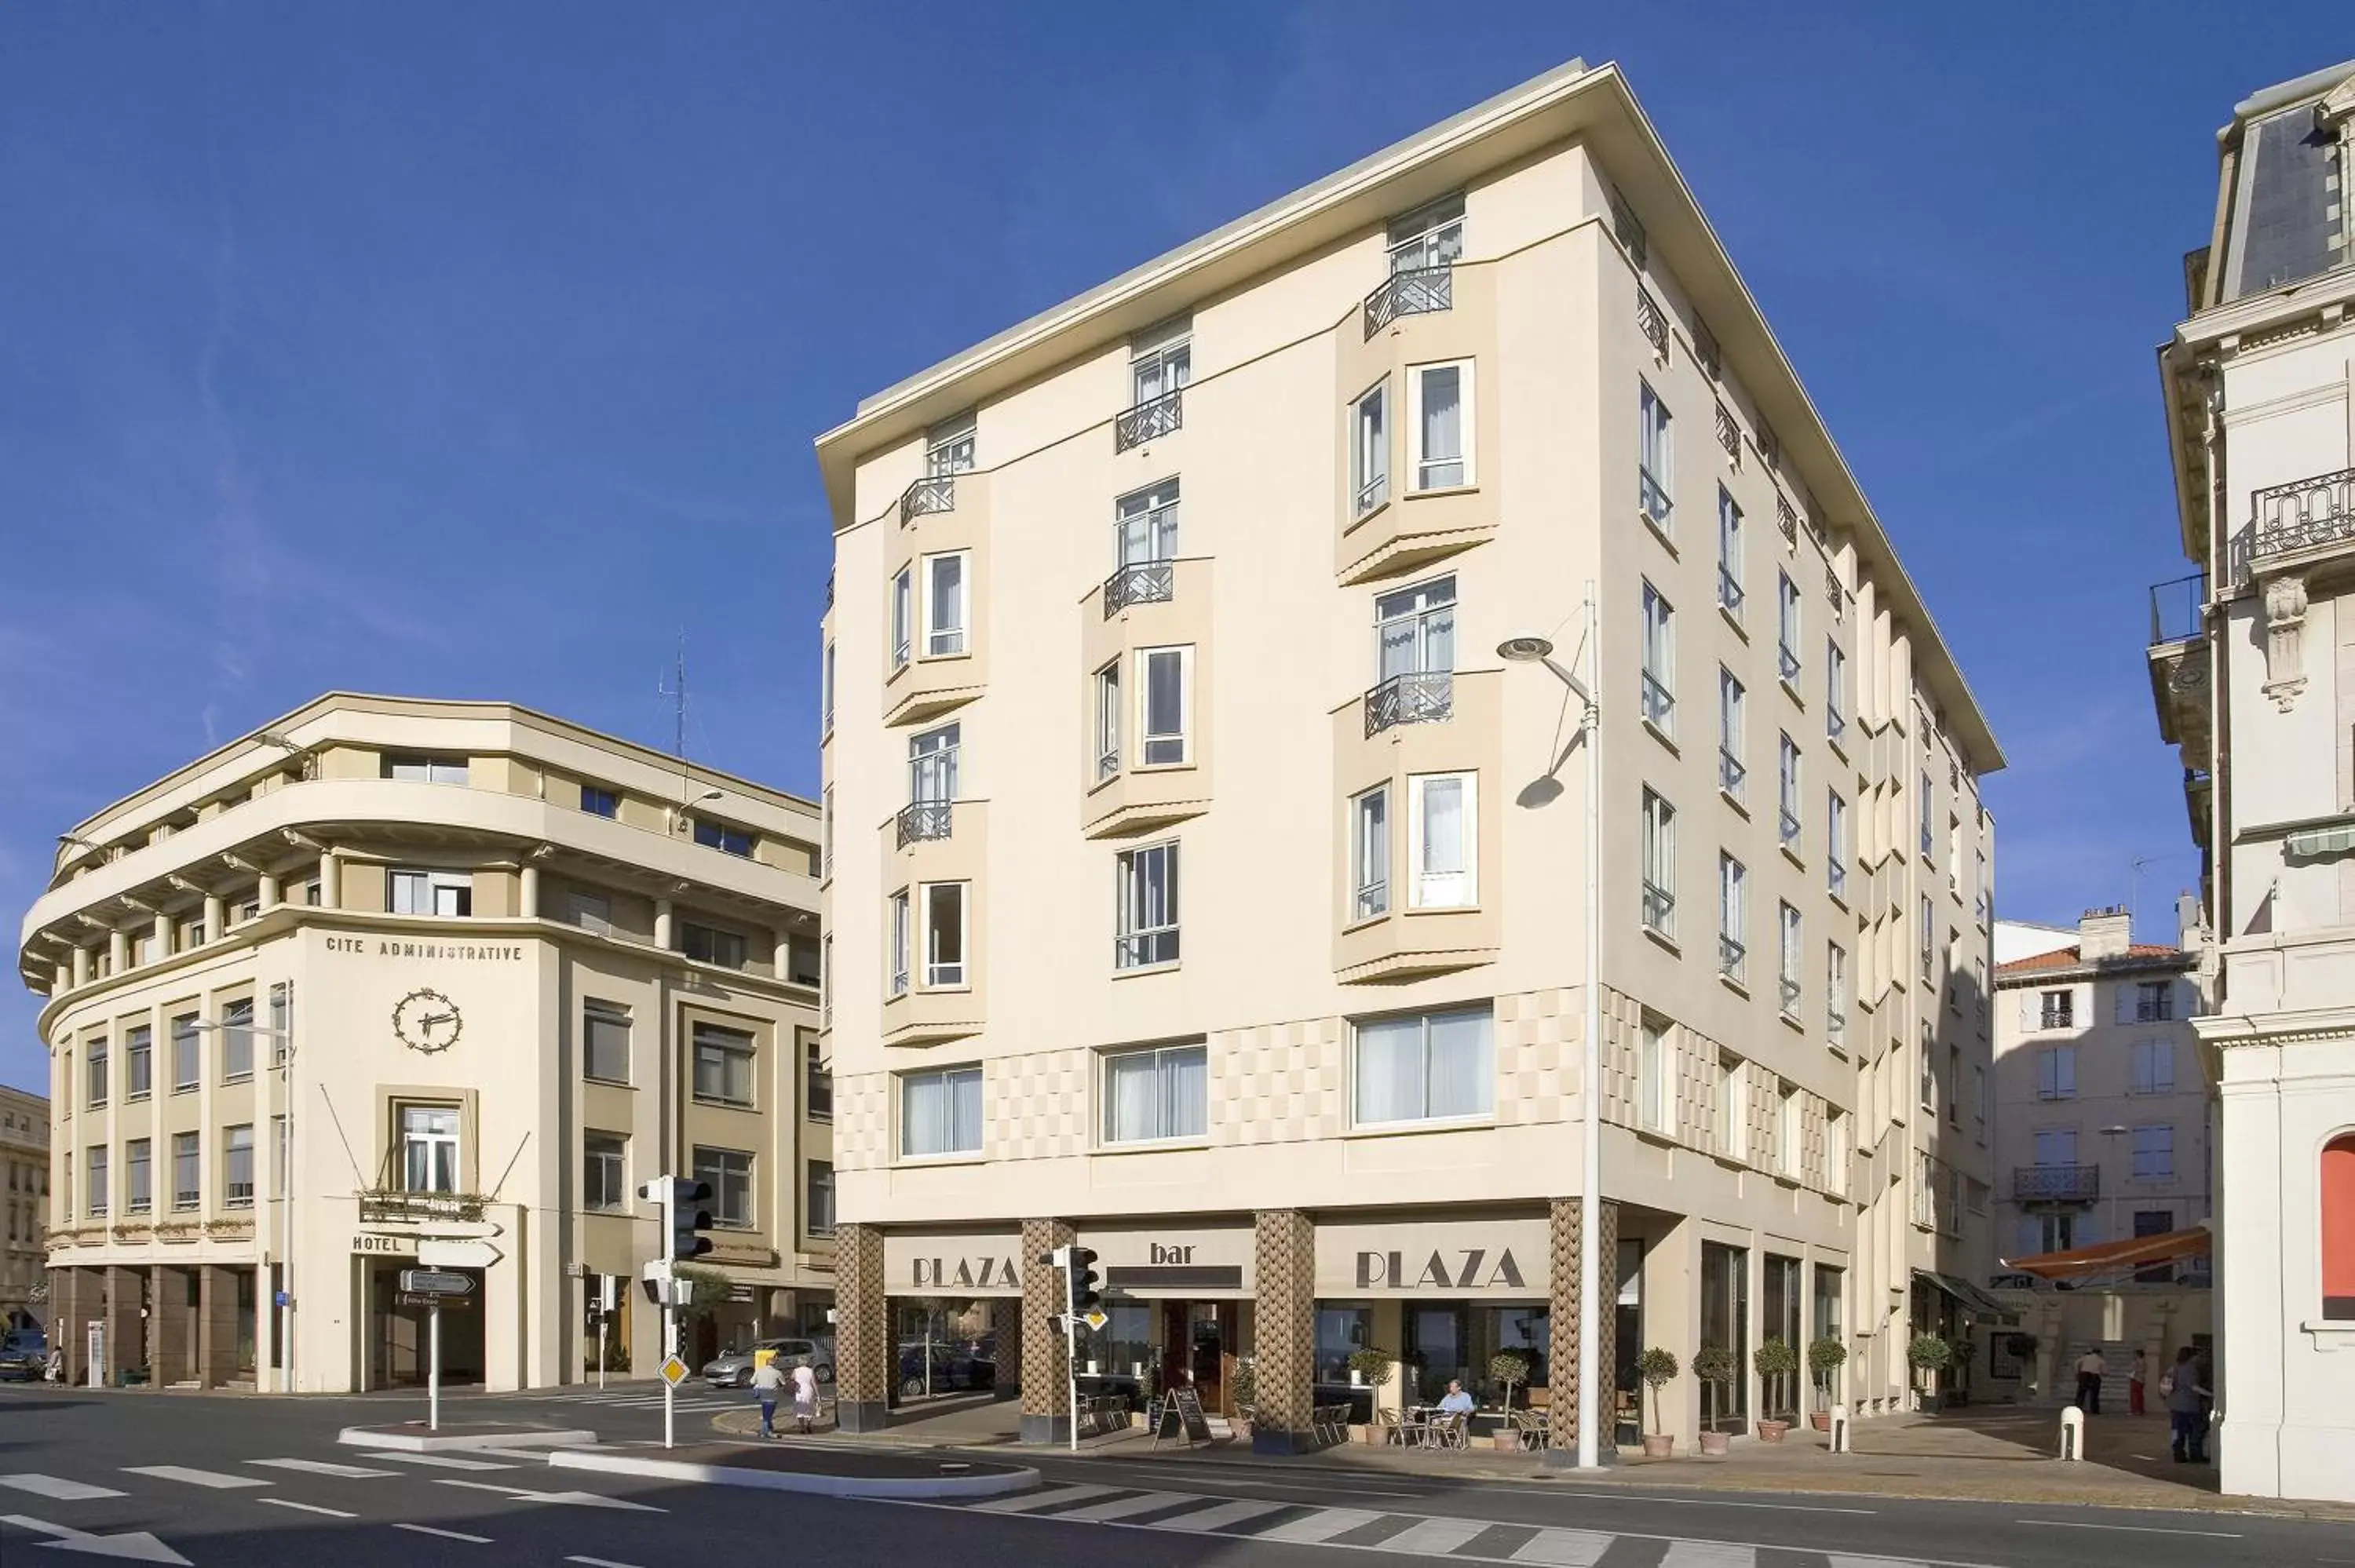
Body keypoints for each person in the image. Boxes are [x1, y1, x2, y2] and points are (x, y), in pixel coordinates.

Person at [2163, 1346, 2211, 1463]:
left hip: (2175, 1404)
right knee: (2195, 1432)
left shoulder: (2174, 1367)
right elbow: (2194, 1387)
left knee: (2177, 1431)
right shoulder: (2190, 1369)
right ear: (2192, 1357)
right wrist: (2211, 1394)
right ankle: (2196, 1455)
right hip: (2189, 1405)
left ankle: (2178, 1454)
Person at [750, 1355, 786, 1439]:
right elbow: (784, 1383)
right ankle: (765, 1432)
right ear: (775, 1364)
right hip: (773, 1396)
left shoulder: (759, 1371)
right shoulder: (777, 1372)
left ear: (766, 1363)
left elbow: (752, 1382)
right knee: (768, 1415)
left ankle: (769, 1429)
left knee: (766, 1413)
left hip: (763, 1395)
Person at [2073, 1347, 2106, 1415]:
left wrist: (2077, 1373)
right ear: (2099, 1353)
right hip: (2094, 1376)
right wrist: (2104, 1373)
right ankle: (2094, 1410)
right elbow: (2103, 1371)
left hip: (2084, 1375)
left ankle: (2078, 1408)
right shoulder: (2100, 1360)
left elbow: (2076, 1363)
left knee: (2081, 1393)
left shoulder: (2086, 1357)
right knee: (2094, 1394)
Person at [790, 1360, 821, 1435]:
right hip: (808, 1390)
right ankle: (808, 1425)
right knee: (809, 1408)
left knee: (800, 1409)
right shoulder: (810, 1371)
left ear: (799, 1363)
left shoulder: (796, 1371)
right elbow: (813, 1382)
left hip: (799, 1391)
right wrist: (818, 1394)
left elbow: (791, 1379)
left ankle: (802, 1427)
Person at [2128, 1350, 2148, 1417]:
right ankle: (2140, 1409)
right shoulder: (2144, 1362)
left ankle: (2135, 1410)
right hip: (2141, 1380)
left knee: (2135, 1396)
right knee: (2140, 1396)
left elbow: (2133, 1370)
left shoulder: (2136, 1363)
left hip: (2136, 1379)